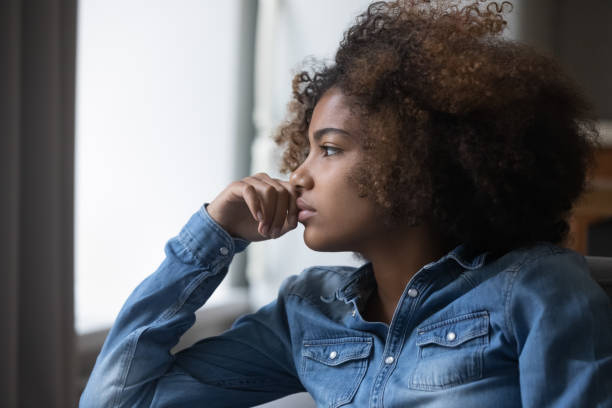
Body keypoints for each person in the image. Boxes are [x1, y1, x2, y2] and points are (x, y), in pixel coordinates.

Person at [80, 1, 612, 407]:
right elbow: (118, 399)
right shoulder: (308, 314)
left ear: (417, 163)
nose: (299, 175)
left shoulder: (536, 288)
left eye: (329, 149)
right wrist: (213, 236)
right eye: (306, 147)